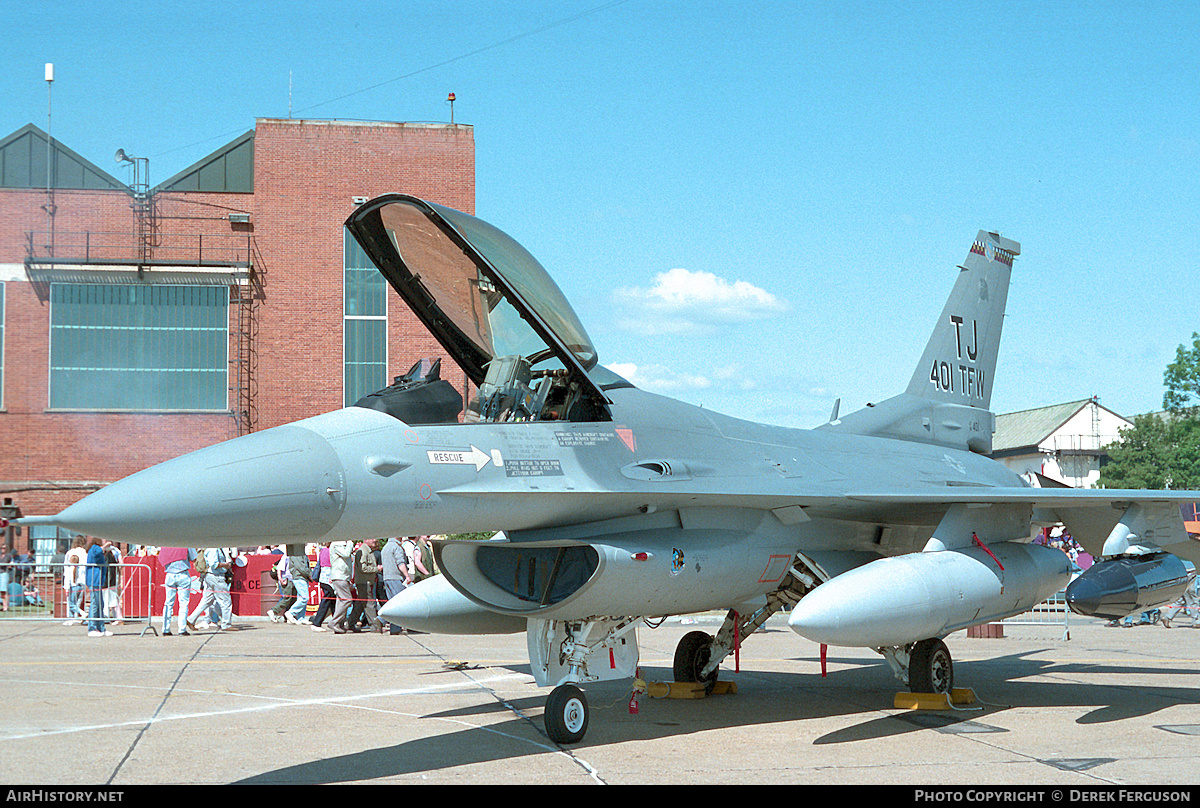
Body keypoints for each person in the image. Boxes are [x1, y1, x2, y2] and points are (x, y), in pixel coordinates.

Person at [187, 547, 235, 632]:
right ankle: (226, 624)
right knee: (226, 601)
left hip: (210, 576)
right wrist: (226, 565)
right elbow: (214, 564)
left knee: (206, 600)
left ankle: (191, 619)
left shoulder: (210, 548)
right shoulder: (214, 548)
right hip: (216, 576)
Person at [158, 546, 196, 635]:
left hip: (170, 574)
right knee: (183, 603)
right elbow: (194, 557)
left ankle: (166, 629)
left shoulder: (166, 544)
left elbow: (161, 558)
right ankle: (182, 629)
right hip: (183, 573)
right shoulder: (186, 543)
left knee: (168, 603)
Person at [348, 538, 383, 633]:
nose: (375, 540)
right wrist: (377, 569)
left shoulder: (368, 551)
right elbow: (363, 568)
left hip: (367, 582)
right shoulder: (363, 551)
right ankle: (374, 626)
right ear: (366, 540)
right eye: (372, 539)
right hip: (364, 582)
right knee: (369, 603)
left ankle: (351, 623)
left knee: (360, 604)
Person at [380, 537, 409, 635]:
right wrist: (407, 575)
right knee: (401, 602)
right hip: (396, 577)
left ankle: (395, 627)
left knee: (392, 603)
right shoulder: (396, 547)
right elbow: (400, 563)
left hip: (386, 578)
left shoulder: (385, 547)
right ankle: (381, 620)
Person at [85, 536, 112, 637]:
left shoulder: (98, 549)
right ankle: (92, 628)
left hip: (98, 580)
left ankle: (101, 628)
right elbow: (96, 553)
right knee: (95, 604)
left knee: (100, 604)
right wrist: (105, 546)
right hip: (94, 579)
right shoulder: (94, 548)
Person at [327, 540, 355, 634]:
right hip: (339, 576)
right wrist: (350, 544)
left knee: (341, 601)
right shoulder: (336, 544)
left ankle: (339, 623)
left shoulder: (341, 544)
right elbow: (346, 554)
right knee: (347, 599)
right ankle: (334, 622)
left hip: (343, 576)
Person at [63, 536, 88, 625]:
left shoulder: (70, 552)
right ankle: (77, 617)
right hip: (82, 581)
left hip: (72, 581)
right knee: (78, 601)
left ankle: (75, 616)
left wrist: (66, 586)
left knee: (71, 602)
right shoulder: (84, 553)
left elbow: (66, 570)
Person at [309, 544, 335, 632]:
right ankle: (317, 622)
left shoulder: (323, 551)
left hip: (323, 578)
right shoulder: (329, 551)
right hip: (329, 578)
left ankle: (336, 622)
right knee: (327, 600)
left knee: (333, 601)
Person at [103, 541, 125, 625]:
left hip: (107, 578)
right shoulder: (116, 550)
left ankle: (113, 617)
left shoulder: (105, 551)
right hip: (114, 577)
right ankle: (116, 616)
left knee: (109, 598)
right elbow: (121, 563)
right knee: (114, 598)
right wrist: (118, 573)